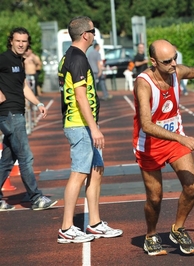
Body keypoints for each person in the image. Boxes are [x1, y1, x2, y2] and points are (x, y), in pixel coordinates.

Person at [133, 39, 194, 256]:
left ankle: (177, 228)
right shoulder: (143, 84)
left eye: (175, 58)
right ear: (153, 62)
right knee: (155, 198)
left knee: (192, 186)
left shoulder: (177, 72)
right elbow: (147, 125)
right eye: (167, 61)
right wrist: (180, 138)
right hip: (149, 145)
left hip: (174, 140)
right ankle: (150, 235)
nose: (173, 64)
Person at [57, 16, 123, 243]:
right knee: (79, 174)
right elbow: (80, 96)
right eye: (94, 30)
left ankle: (94, 223)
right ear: (86, 34)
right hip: (80, 125)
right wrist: (94, 128)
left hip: (85, 124)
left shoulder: (74, 56)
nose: (95, 34)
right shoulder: (77, 58)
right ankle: (66, 228)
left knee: (96, 171)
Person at [0, 27, 58, 211]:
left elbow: (23, 87)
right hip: (9, 114)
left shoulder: (20, 61)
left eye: (24, 41)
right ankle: (36, 198)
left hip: (17, 113)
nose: (21, 44)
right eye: (17, 40)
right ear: (11, 41)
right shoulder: (3, 58)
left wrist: (38, 103)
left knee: (7, 161)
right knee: (25, 157)